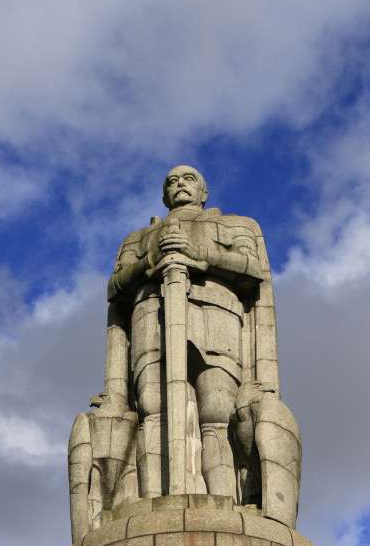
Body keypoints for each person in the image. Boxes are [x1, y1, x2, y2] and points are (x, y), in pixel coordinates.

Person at [106, 165, 278, 499]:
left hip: (216, 320)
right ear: (164, 195)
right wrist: (149, 260)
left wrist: (200, 254)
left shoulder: (235, 225)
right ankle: (155, 498)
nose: (180, 184)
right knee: (152, 409)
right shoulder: (138, 239)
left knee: (217, 411)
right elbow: (115, 287)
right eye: (172, 181)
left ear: (203, 192)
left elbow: (253, 269)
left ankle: (225, 499)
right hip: (150, 321)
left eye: (189, 179)